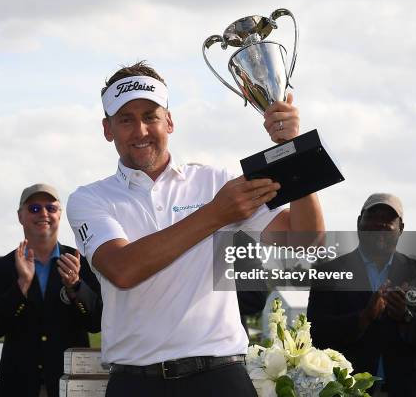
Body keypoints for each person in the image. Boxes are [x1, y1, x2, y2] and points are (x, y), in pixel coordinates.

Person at [66, 62, 324, 396]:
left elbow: (305, 244)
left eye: (150, 116)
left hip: (219, 377)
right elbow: (122, 269)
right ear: (107, 129)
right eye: (126, 119)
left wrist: (296, 152)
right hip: (135, 383)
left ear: (169, 121)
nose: (140, 130)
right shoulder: (89, 199)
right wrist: (217, 213)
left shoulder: (217, 181)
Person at [307, 193, 416, 397]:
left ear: (401, 228)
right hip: (347, 390)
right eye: (372, 216)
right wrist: (363, 318)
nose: (379, 224)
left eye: (388, 219)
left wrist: (405, 317)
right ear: (359, 223)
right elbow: (316, 334)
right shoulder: (328, 272)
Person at [0, 183, 102, 397]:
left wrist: (76, 287)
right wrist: (22, 285)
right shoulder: (1, 267)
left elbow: (95, 323)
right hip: (17, 385)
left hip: (72, 386)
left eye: (51, 208)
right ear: (20, 216)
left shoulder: (81, 262)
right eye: (34, 208)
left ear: (59, 214)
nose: (43, 214)